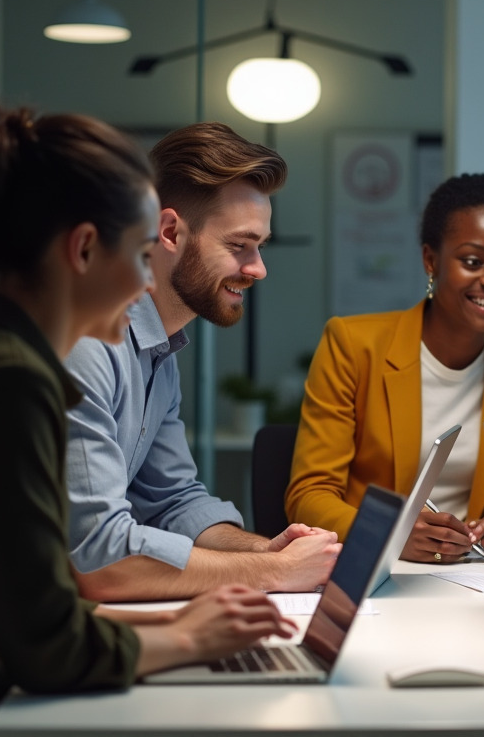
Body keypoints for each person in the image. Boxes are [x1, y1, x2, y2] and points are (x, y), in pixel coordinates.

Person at [0, 83, 294, 737]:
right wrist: (188, 638)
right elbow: (50, 643)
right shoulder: (8, 381)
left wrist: (189, 616)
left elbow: (43, 607)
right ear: (81, 251)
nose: (142, 285)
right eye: (137, 255)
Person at [65, 122, 339, 602]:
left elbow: (175, 501)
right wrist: (272, 573)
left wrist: (263, 551)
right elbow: (99, 556)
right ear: (170, 231)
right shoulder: (90, 345)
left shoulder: (159, 349)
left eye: (260, 246)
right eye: (239, 246)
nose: (258, 268)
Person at [286, 172, 484, 561]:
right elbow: (309, 495)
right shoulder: (352, 345)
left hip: (474, 571)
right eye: (473, 261)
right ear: (431, 260)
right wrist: (389, 534)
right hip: (373, 568)